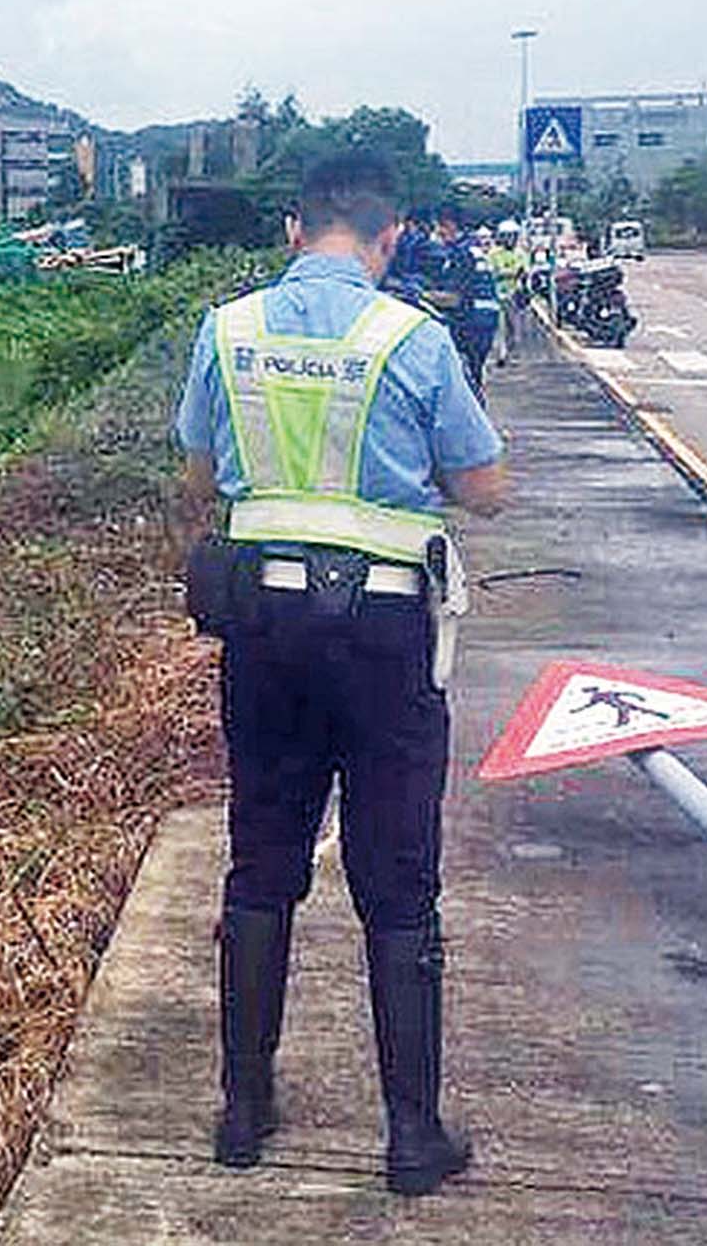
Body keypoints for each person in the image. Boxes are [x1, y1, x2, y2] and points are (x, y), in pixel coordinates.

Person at [174, 151, 508, 1195]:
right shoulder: (413, 336)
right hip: (382, 630)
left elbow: (197, 474)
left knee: (262, 855)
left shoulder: (225, 331)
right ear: (389, 237)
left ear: (290, 231)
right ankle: (412, 1137)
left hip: (263, 625)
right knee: (395, 872)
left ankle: (241, 1111)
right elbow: (486, 488)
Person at [430, 207, 499, 398]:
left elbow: (454, 298)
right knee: (474, 375)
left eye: (440, 228)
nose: (438, 234)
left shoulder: (460, 254)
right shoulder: (472, 248)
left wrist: (423, 296)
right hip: (487, 317)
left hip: (473, 320)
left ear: (450, 225)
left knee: (464, 379)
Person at [485, 227, 531, 362]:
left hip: (514, 293)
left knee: (514, 326)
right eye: (507, 236)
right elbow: (492, 272)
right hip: (496, 294)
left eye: (513, 236)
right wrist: (510, 273)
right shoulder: (493, 254)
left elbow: (524, 272)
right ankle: (500, 354)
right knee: (498, 326)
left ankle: (512, 354)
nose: (510, 239)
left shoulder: (521, 254)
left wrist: (508, 274)